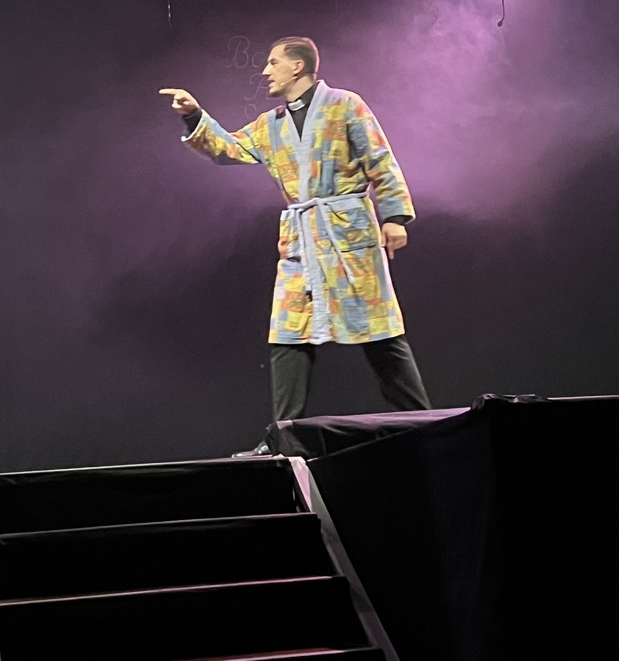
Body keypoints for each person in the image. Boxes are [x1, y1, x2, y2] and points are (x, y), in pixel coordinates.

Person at [159, 36, 431, 456]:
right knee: (287, 335)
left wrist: (394, 217)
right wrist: (194, 115)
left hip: (347, 235)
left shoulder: (345, 105)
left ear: (297, 67)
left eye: (273, 63)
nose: (265, 71)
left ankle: (425, 424)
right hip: (301, 242)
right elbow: (228, 148)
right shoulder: (272, 124)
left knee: (379, 333)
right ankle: (283, 439)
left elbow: (380, 159)